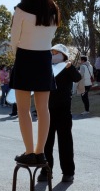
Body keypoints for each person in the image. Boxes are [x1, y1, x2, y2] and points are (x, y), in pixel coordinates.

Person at [9, 0, 60, 166]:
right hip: (44, 58)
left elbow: (14, 40)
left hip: (25, 56)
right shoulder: (54, 10)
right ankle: (40, 153)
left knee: (23, 109)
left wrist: (19, 56)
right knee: (43, 108)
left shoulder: (21, 10)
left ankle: (29, 151)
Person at [38, 44, 82, 183]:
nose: (53, 54)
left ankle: (68, 172)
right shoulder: (46, 67)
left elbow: (77, 77)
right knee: (46, 143)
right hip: (47, 111)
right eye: (52, 52)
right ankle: (45, 171)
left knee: (65, 143)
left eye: (57, 52)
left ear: (63, 55)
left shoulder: (67, 67)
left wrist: (70, 66)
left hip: (63, 111)